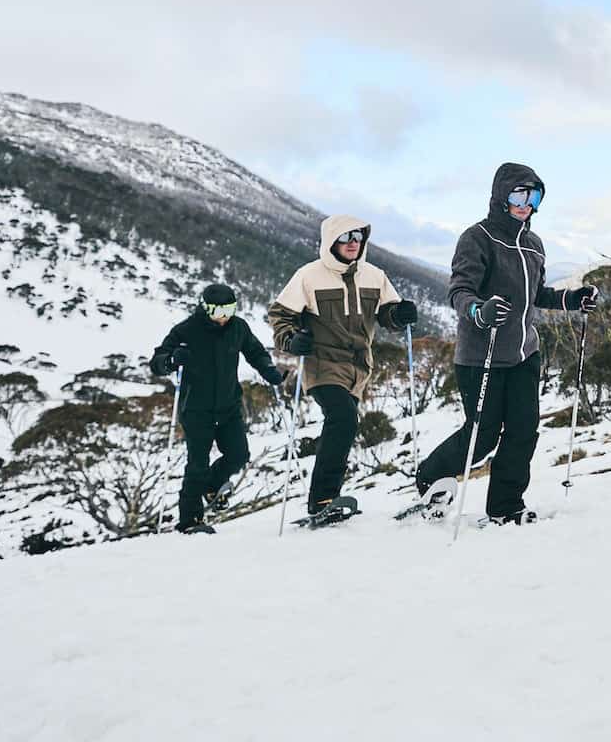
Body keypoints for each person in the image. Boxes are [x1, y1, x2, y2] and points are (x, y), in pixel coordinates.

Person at [414, 163, 597, 525]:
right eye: (519, 194)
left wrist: (572, 300)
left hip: (523, 354)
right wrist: (479, 311)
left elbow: (537, 294)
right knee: (482, 437)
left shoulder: (534, 245)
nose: (526, 203)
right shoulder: (477, 238)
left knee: (523, 432)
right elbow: (459, 291)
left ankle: (506, 506)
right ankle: (430, 475)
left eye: (535, 196)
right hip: (480, 356)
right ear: (501, 196)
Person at [267, 216, 416, 520]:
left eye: (358, 237)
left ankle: (329, 499)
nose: (353, 243)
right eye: (346, 237)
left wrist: (400, 315)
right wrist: (290, 340)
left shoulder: (375, 276)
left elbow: (388, 315)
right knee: (343, 419)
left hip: (360, 368)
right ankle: (322, 500)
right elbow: (280, 315)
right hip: (322, 364)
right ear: (331, 240)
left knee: (345, 426)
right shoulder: (309, 276)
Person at [149, 282, 285, 535]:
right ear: (205, 308)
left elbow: (255, 352)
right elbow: (156, 363)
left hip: (228, 407)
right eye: (218, 311)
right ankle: (190, 521)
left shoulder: (238, 327)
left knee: (239, 454)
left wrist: (268, 370)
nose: (224, 317)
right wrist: (171, 360)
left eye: (229, 310)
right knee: (197, 466)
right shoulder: (186, 331)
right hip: (196, 409)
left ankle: (212, 486)